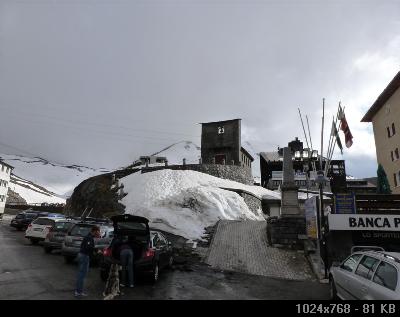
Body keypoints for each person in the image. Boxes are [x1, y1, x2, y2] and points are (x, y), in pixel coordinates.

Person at [75, 225, 101, 297]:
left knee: (81, 274)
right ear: (95, 231)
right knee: (82, 274)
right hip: (84, 256)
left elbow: (88, 247)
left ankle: (78, 291)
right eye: (99, 231)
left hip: (83, 255)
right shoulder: (89, 237)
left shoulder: (89, 237)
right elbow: (88, 247)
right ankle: (78, 292)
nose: (99, 233)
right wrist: (96, 250)